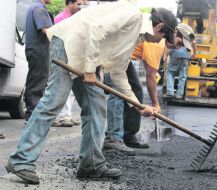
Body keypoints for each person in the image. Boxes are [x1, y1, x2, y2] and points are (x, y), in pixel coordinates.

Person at [6, 0, 176, 184]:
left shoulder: (135, 37)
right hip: (68, 45)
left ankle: (91, 164)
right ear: (159, 27)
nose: (161, 42)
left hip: (86, 57)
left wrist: (137, 105)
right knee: (52, 102)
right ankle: (21, 160)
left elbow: (119, 73)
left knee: (97, 106)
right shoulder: (132, 14)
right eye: (164, 37)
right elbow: (95, 28)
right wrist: (88, 70)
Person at [104, 39, 165, 155]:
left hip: (124, 57)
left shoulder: (159, 43)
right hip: (112, 55)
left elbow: (150, 69)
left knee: (136, 90)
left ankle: (128, 135)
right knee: (117, 92)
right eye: (180, 42)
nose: (179, 47)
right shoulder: (158, 44)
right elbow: (150, 77)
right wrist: (156, 104)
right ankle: (113, 138)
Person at [52, 0, 83, 127]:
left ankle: (67, 116)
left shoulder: (77, 18)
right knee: (61, 88)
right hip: (62, 58)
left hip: (74, 56)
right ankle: (62, 117)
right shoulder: (60, 18)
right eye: (78, 4)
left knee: (71, 90)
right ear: (70, 3)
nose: (80, 7)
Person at [23, 0, 54, 122]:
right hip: (39, 50)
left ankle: (34, 116)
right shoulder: (38, 9)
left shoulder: (35, 7)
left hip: (37, 50)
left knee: (38, 81)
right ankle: (32, 117)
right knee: (37, 82)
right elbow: (46, 30)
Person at [165, 23, 195, 99]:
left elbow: (169, 46)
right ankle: (179, 94)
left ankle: (170, 92)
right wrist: (194, 53)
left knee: (170, 72)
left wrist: (165, 55)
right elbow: (194, 44)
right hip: (186, 56)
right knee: (182, 76)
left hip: (175, 55)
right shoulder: (188, 39)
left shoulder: (176, 38)